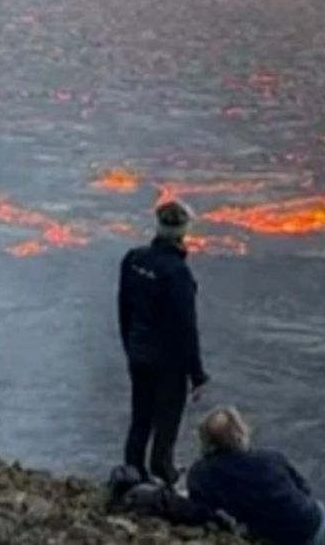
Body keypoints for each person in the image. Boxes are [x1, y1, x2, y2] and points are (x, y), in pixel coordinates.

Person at [119, 199, 209, 484]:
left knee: (140, 415)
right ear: (184, 231)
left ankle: (132, 470)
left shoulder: (134, 259)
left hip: (139, 353)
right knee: (167, 420)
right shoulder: (177, 273)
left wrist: (130, 346)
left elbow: (124, 308)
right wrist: (197, 375)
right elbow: (186, 328)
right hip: (168, 362)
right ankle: (163, 470)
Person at [187, 406, 325, 545]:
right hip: (310, 521)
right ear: (240, 433)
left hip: (273, 535)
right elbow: (304, 488)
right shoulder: (270, 458)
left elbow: (204, 508)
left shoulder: (201, 474)